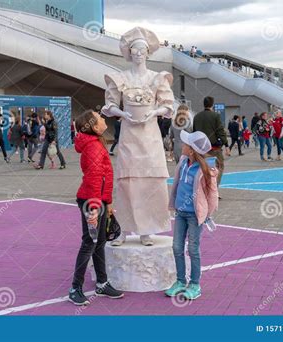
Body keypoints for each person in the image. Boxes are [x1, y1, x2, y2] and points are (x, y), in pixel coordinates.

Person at [101, 27, 174, 246]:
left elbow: (167, 105)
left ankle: (146, 229)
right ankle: (122, 229)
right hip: (129, 135)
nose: (139, 53)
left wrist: (154, 112)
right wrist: (122, 113)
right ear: (129, 52)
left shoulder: (158, 78)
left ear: (148, 53)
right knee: (127, 182)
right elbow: (110, 105)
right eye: (135, 49)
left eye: (143, 50)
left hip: (150, 135)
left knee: (150, 182)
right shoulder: (120, 77)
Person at [69, 110, 123, 306]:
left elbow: (105, 177)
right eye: (99, 117)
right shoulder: (93, 147)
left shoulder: (96, 144)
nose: (102, 118)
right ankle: (75, 288)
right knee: (89, 243)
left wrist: (107, 202)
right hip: (91, 201)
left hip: (97, 201)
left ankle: (102, 283)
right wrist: (94, 209)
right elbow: (93, 180)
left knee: (99, 241)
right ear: (92, 126)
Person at [166, 130, 218, 300]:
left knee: (193, 249)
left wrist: (206, 214)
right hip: (180, 213)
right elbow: (178, 184)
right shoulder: (183, 162)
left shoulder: (206, 170)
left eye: (186, 144)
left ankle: (195, 284)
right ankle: (180, 281)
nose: (182, 145)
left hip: (195, 216)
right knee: (177, 247)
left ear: (192, 150)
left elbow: (212, 195)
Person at [193, 96, 228, 187]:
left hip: (201, 149)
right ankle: (214, 188)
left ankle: (203, 188)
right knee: (218, 167)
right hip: (214, 148)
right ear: (212, 104)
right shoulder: (215, 116)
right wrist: (225, 142)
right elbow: (220, 130)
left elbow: (194, 133)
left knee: (203, 168)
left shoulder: (197, 117)